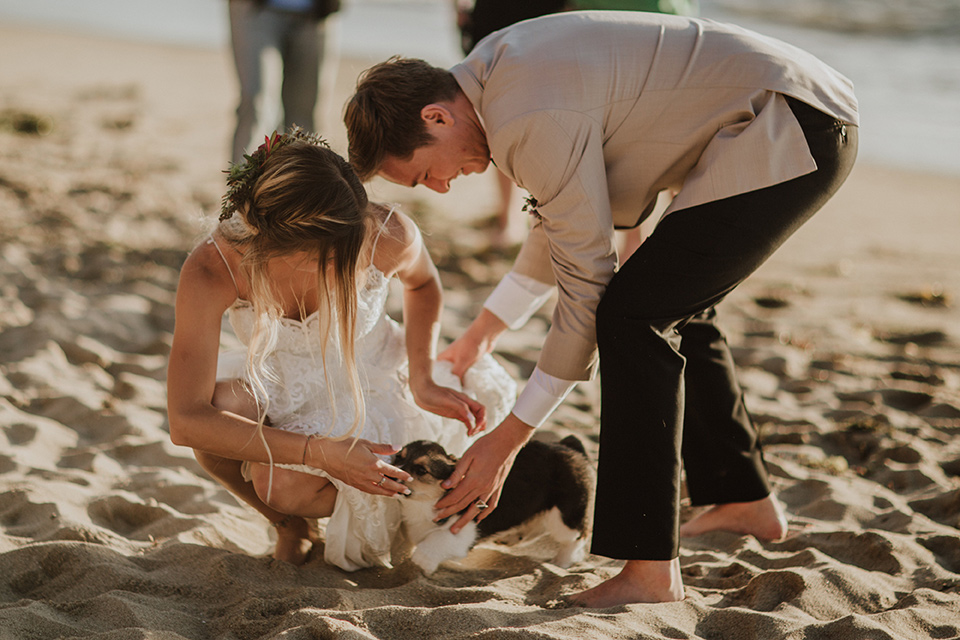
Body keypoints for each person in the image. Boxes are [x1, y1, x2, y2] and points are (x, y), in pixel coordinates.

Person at [343, 11, 858, 605]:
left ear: (437, 116)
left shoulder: (524, 117)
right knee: (671, 303)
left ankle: (650, 572)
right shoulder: (491, 77)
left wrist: (509, 438)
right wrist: (485, 330)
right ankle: (743, 499)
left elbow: (586, 281)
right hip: (799, 107)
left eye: (425, 172)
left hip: (791, 125)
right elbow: (569, 217)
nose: (439, 187)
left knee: (633, 318)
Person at [166, 129, 516, 570]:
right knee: (222, 416)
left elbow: (424, 283)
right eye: (332, 254)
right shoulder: (214, 267)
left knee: (285, 482)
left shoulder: (380, 230)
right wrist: (320, 452)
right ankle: (289, 526)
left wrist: (424, 376)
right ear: (275, 246)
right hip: (282, 378)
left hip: (372, 374)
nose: (348, 259)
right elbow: (186, 420)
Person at [454, 0, 569, 247]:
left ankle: (536, 219)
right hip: (496, 14)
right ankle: (509, 219)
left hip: (544, 15)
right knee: (497, 116)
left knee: (546, 117)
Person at [228, 0, 340, 163]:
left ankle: (300, 185)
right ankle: (242, 186)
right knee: (256, 105)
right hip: (255, 10)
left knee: (305, 115)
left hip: (318, 14)